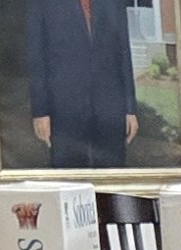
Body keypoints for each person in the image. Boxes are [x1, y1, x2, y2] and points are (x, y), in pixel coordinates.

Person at [27, 0, 139, 169]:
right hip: (64, 107)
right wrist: (40, 111)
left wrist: (130, 108)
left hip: (110, 107)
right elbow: (36, 56)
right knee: (69, 177)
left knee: (112, 176)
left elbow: (123, 50)